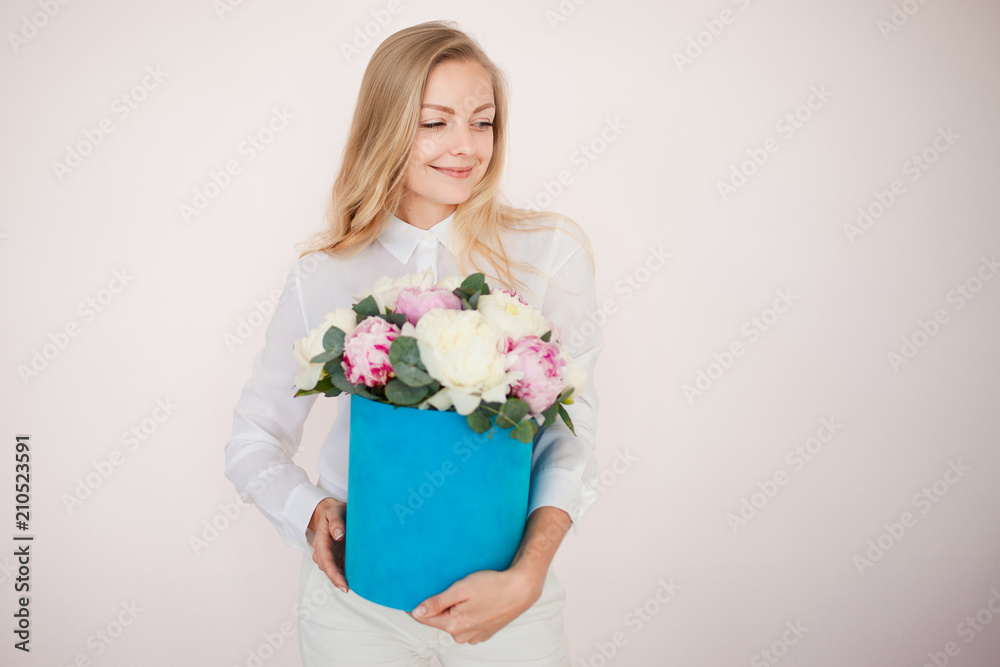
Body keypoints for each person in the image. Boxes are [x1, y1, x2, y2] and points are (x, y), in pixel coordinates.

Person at [224, 19, 604, 666]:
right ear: (388, 125)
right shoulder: (324, 273)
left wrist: (527, 575)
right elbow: (253, 437)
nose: (467, 146)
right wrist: (308, 512)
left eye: (482, 122)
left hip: (507, 605)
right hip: (356, 607)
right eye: (437, 122)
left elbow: (572, 435)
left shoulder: (550, 252)